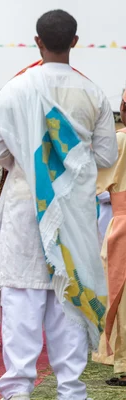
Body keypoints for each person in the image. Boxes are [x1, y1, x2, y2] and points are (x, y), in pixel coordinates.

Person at [0, 10, 117, 400]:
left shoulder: (18, 88)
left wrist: (29, 162)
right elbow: (106, 156)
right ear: (75, 42)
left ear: (37, 41)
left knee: (22, 297)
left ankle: (18, 390)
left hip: (27, 202)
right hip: (74, 206)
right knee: (69, 295)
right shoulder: (92, 92)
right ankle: (72, 390)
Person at [93, 92, 126, 386]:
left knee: (123, 298)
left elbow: (94, 181)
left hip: (123, 227)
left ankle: (124, 363)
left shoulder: (120, 140)